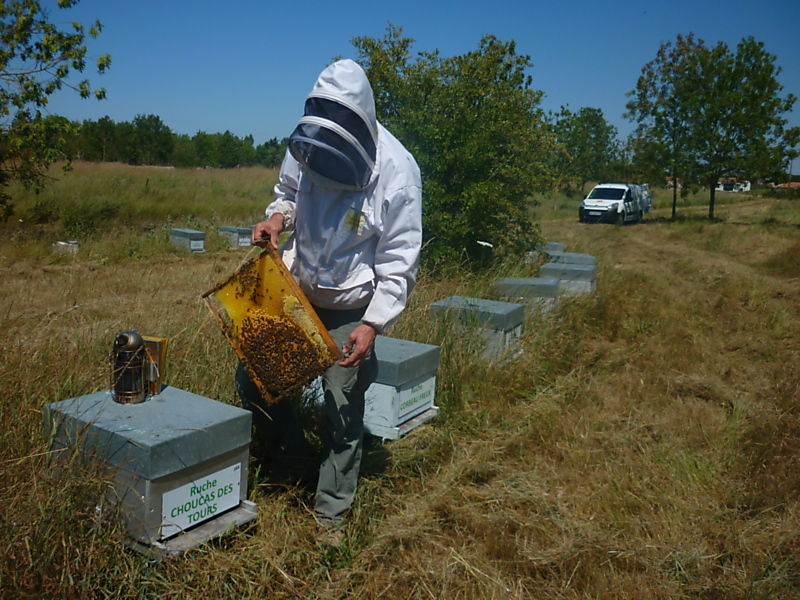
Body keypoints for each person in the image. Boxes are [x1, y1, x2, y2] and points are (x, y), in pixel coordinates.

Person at [239, 59, 422, 547]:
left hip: (351, 309)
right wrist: (276, 221)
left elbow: (400, 260)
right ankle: (291, 457)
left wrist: (374, 323)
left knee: (342, 406)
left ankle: (331, 516)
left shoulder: (399, 172)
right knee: (255, 377)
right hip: (297, 291)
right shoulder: (310, 142)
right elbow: (288, 194)